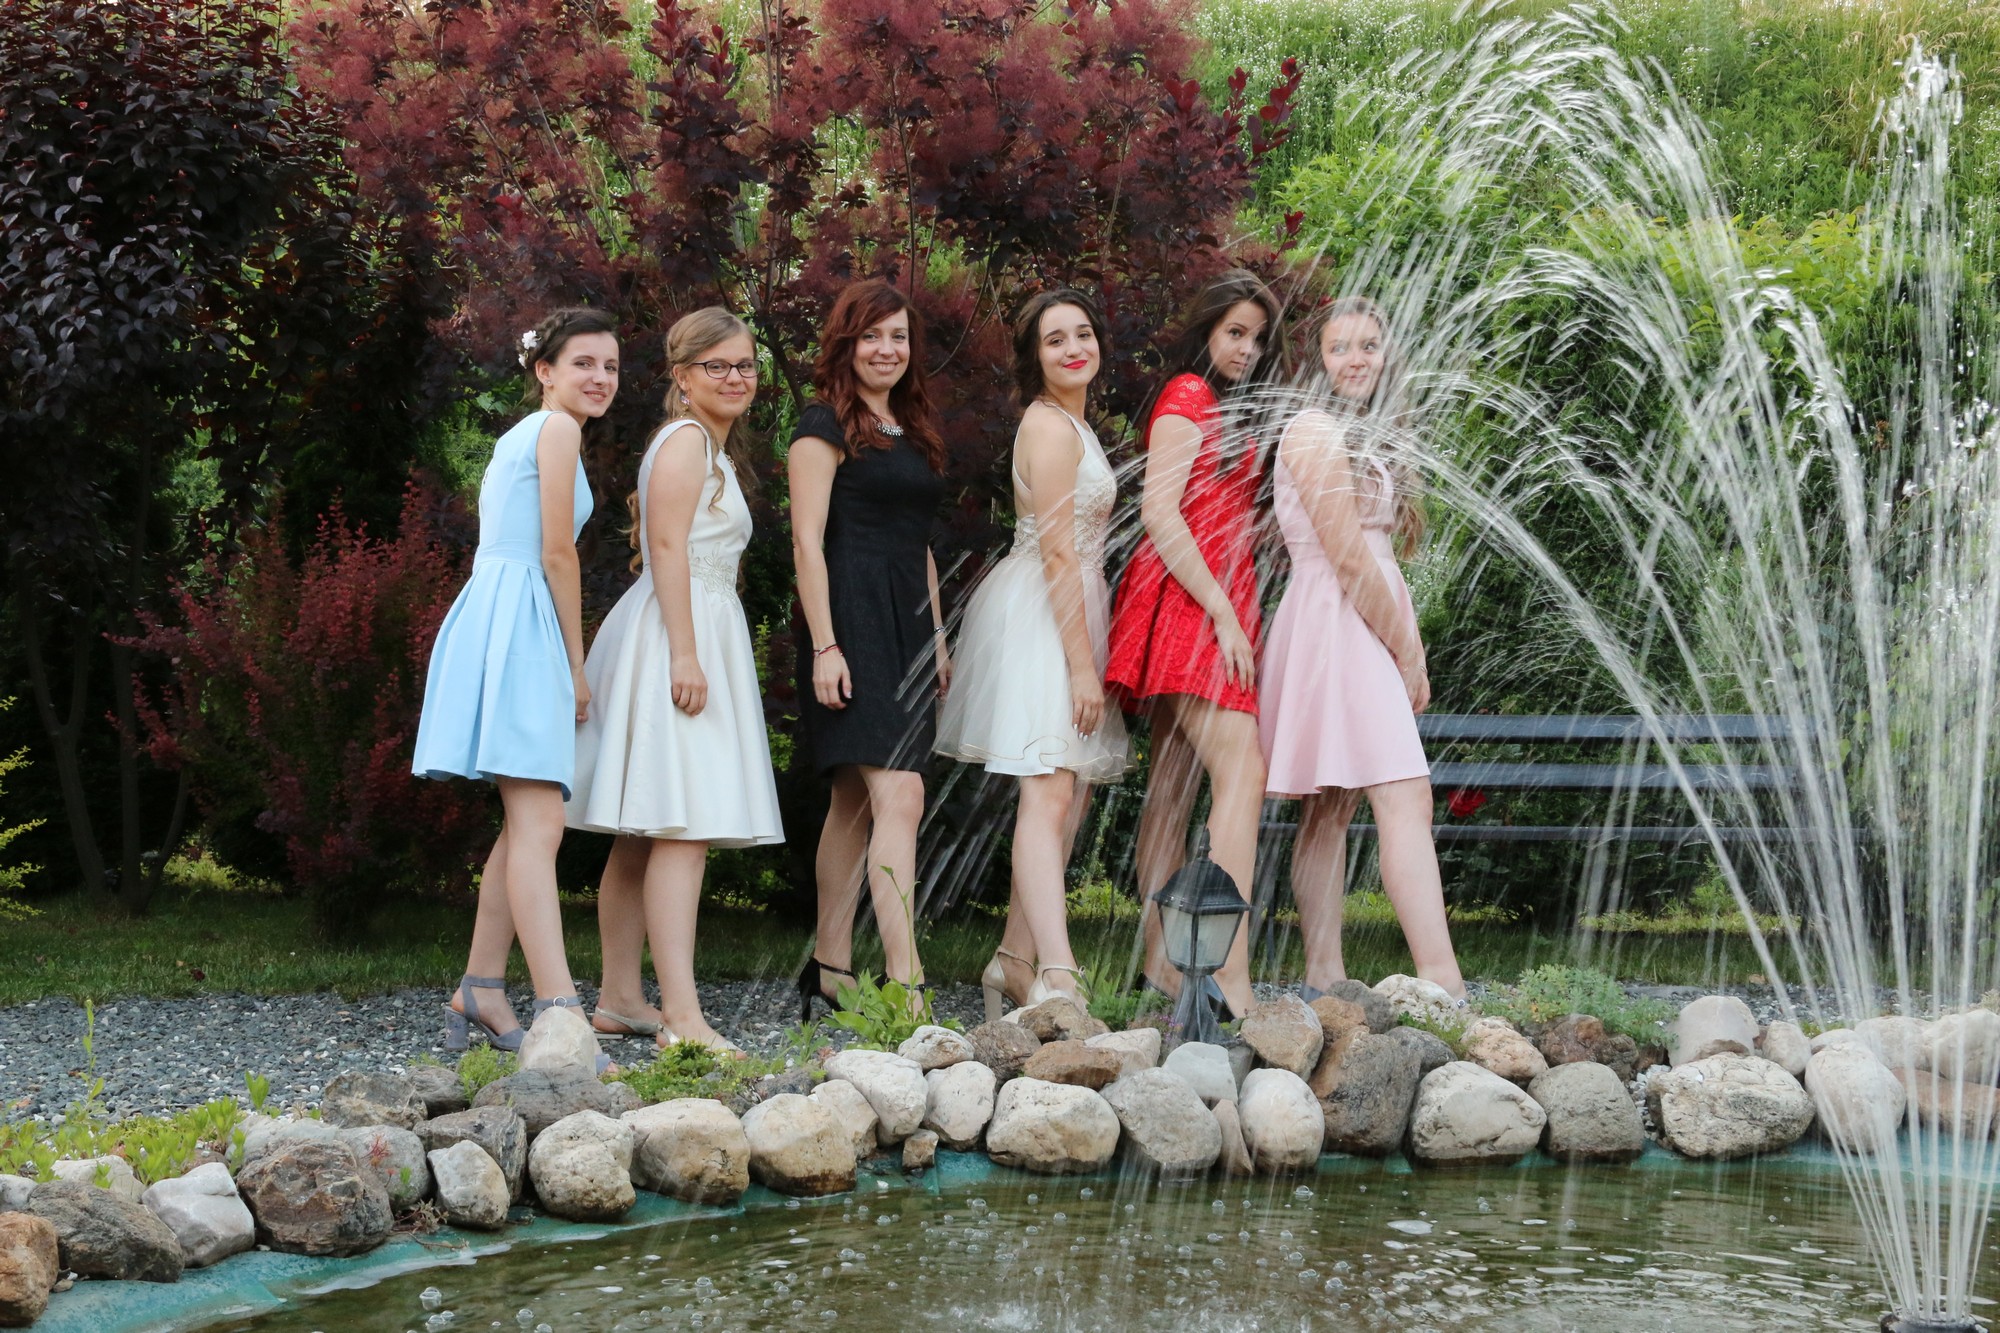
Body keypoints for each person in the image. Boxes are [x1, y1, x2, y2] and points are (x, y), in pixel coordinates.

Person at [567, 308, 784, 1054]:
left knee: (644, 831)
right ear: (683, 377)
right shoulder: (687, 440)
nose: (735, 377)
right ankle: (684, 1019)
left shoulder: (708, 446)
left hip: (690, 627)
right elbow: (665, 547)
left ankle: (620, 999)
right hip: (675, 634)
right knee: (682, 828)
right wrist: (686, 656)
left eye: (745, 364)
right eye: (716, 366)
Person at [412, 307, 618, 1065]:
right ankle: (562, 1011)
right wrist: (575, 663)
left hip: (500, 613)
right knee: (541, 822)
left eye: (611, 366)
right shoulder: (555, 430)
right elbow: (558, 552)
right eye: (583, 363)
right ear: (545, 371)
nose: (600, 378)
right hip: (523, 620)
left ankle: (482, 986)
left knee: (526, 819)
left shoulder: (526, 434)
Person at [1260, 296, 1466, 1000]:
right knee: (1404, 792)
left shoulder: (1367, 436)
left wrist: (1405, 640)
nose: (1356, 360)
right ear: (1317, 360)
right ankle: (1443, 981)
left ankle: (1325, 975)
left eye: (1369, 346)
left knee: (1333, 805)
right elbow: (1348, 560)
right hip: (1337, 620)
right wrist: (1408, 652)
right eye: (1340, 347)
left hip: (1360, 620)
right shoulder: (1313, 429)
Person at [936, 290, 1131, 1019]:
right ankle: (1059, 974)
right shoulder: (1047, 427)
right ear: (1034, 357)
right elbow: (1055, 551)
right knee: (1048, 790)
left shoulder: (1075, 424)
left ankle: (1013, 960)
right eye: (1056, 340)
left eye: (1083, 333)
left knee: (1070, 796)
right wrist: (1081, 666)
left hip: (1073, 606)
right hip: (1044, 615)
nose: (1074, 348)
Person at [1105, 269, 1284, 1020]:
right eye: (1234, 332)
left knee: (1174, 784)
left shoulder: (1233, 409)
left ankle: (1161, 960)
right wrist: (1221, 612)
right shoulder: (1187, 394)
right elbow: (1159, 511)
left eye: (1257, 338)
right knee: (1243, 769)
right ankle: (1226, 972)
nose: (1246, 349)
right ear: (1206, 331)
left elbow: (1229, 508)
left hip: (1215, 593)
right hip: (1189, 597)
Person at [788, 280, 949, 1018]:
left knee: (854, 801)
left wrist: (937, 636)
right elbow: (806, 540)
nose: (887, 349)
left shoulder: (913, 428)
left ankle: (830, 966)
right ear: (846, 343)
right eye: (872, 336)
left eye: (899, 336)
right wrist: (826, 645)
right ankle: (906, 984)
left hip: (908, 624)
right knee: (901, 793)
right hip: (849, 616)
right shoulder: (823, 423)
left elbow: (920, 544)